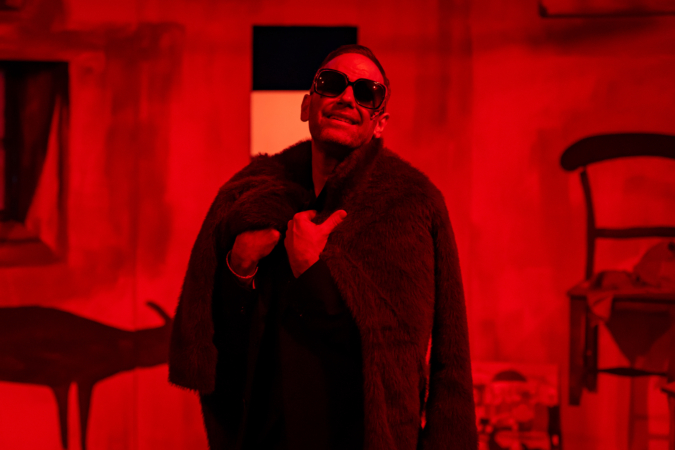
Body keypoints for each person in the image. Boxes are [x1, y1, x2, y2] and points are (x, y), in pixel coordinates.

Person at [169, 44, 477, 450]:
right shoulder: (253, 199)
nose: (347, 97)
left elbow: (427, 351)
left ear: (380, 122)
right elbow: (228, 338)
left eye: (367, 93)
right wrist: (239, 268)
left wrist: (311, 271)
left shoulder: (411, 205)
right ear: (307, 105)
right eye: (331, 84)